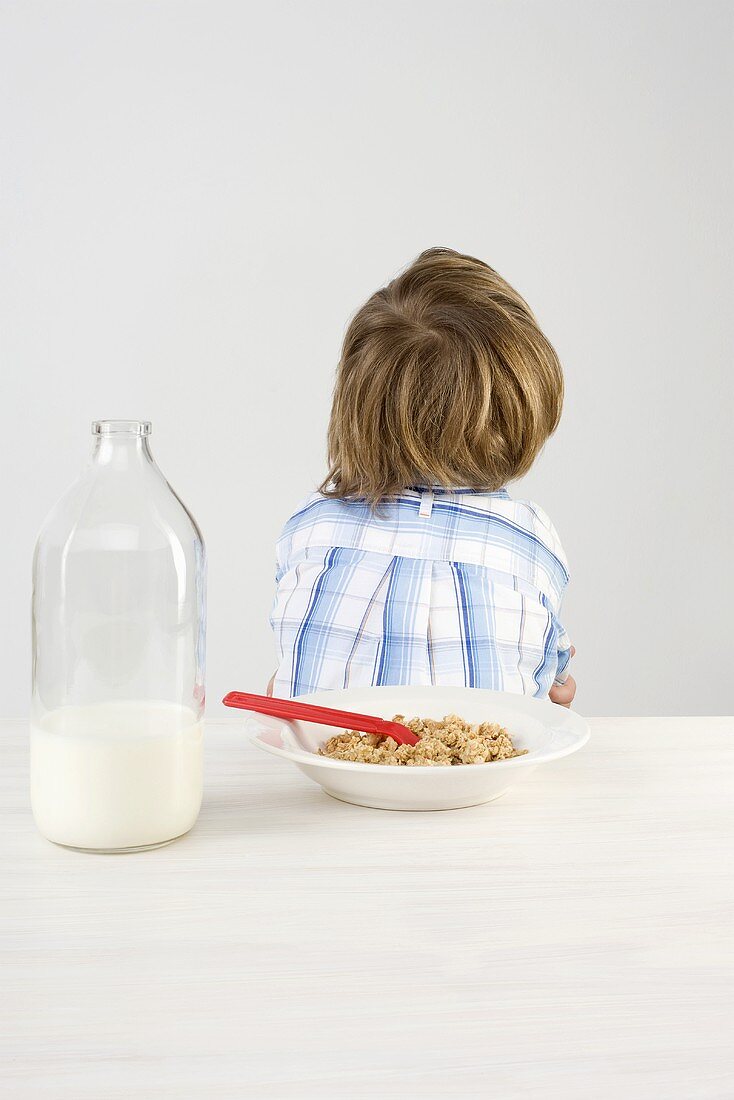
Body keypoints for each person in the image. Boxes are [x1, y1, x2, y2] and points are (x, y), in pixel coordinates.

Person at [269, 247, 576, 707]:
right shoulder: (531, 536)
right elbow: (550, 675)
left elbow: (291, 669)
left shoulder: (310, 523)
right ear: (521, 410)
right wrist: (555, 677)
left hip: (323, 763)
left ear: (357, 406)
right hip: (478, 771)